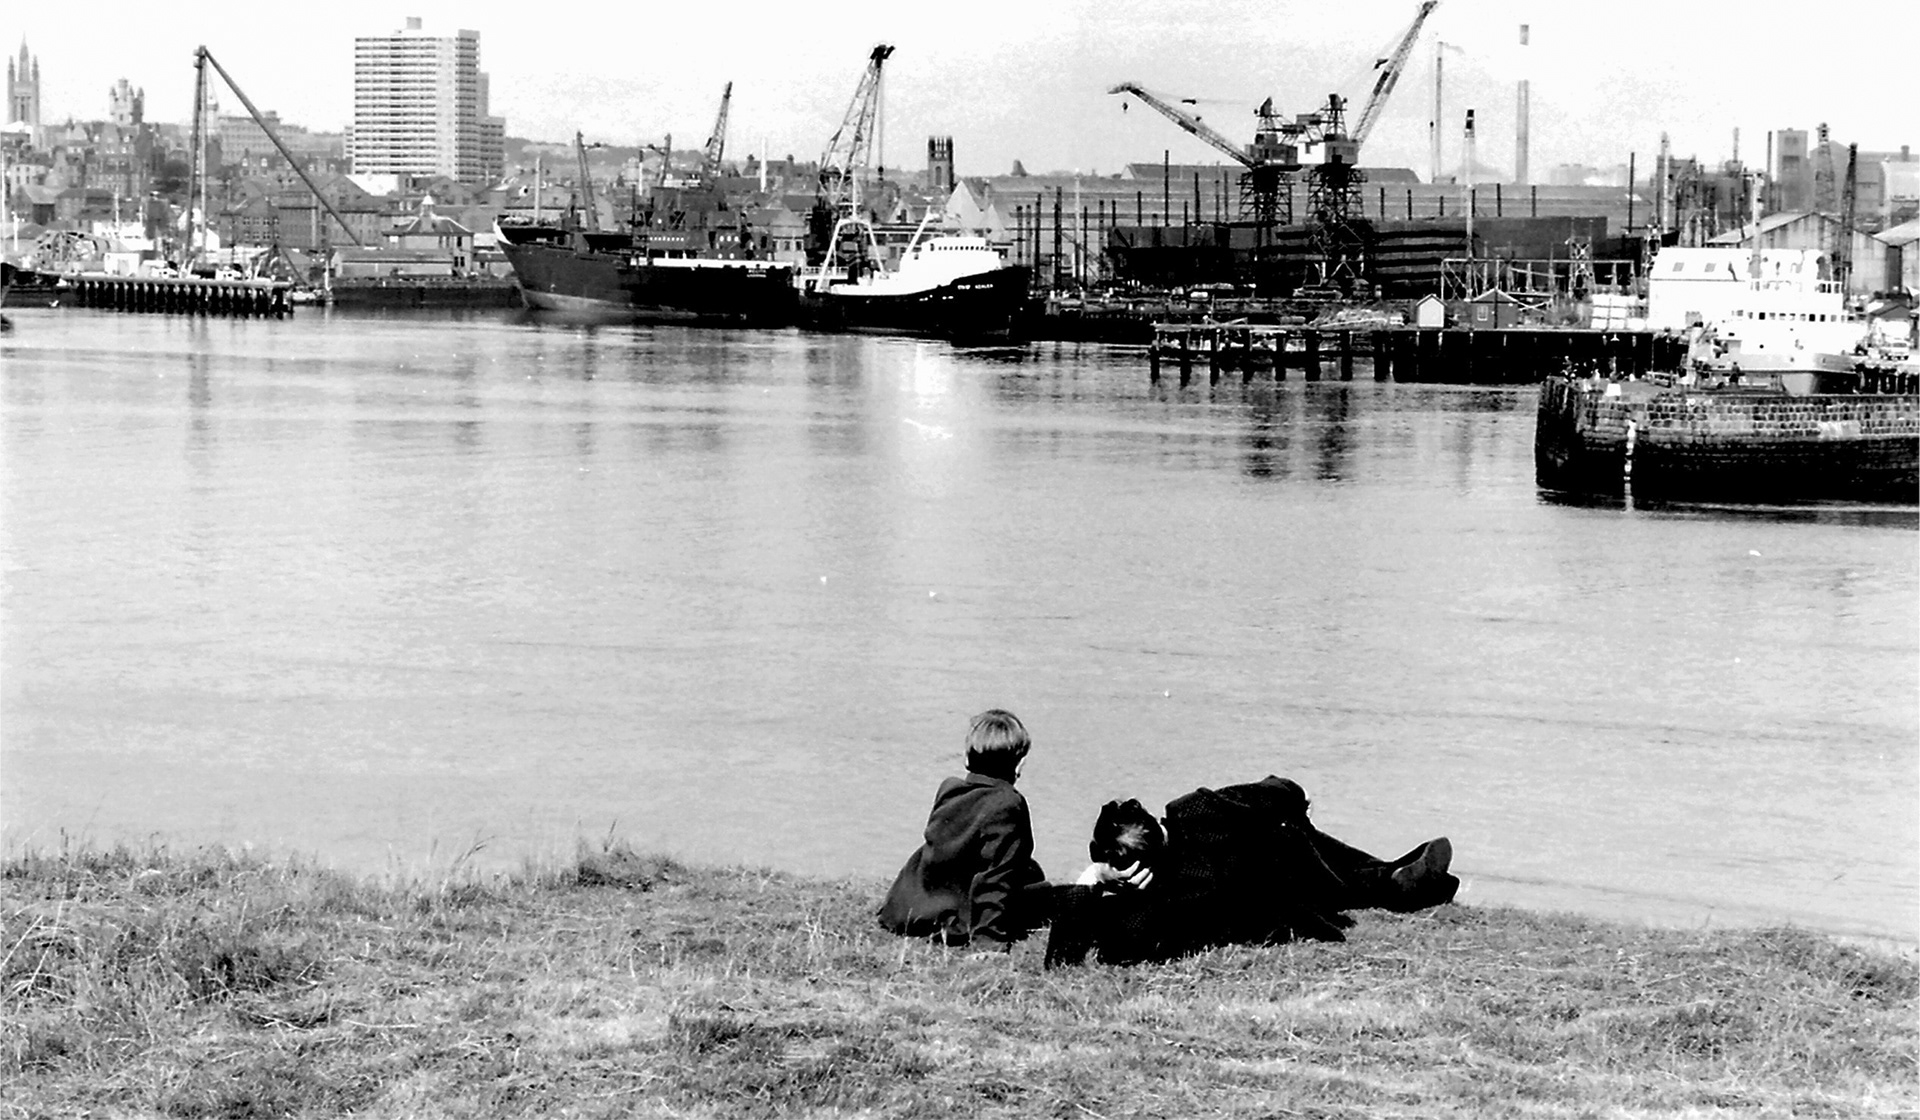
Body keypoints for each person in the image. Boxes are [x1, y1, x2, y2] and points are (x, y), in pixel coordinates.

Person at [1044, 776, 1457, 968]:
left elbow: (1061, 959)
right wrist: (1296, 802)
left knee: (1301, 848)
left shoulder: (1160, 904)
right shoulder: (1192, 810)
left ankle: (1393, 879)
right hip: (1290, 864)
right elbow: (1272, 792)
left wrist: (1093, 878)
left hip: (1286, 889)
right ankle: (1392, 881)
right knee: (1296, 838)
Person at [877, 709, 1143, 950]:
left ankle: (1092, 879)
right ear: (1019, 765)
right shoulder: (1007, 803)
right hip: (957, 915)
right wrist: (988, 942)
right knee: (1051, 898)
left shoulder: (950, 788)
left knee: (1030, 870)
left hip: (912, 909)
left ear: (967, 760)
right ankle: (1095, 877)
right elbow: (996, 876)